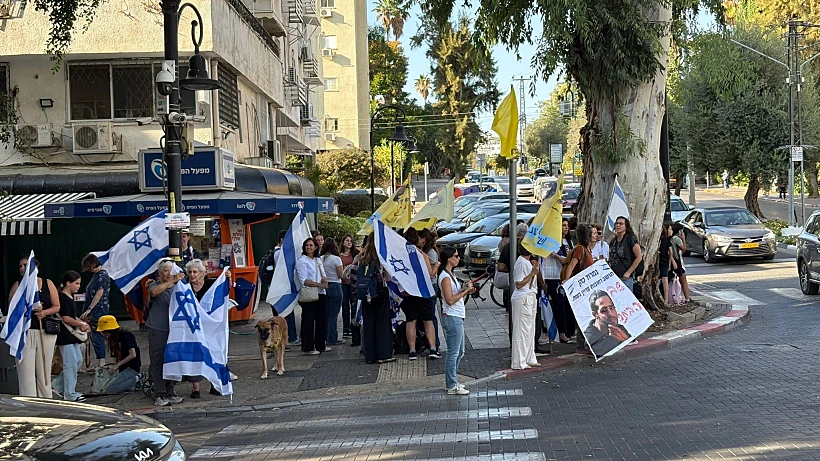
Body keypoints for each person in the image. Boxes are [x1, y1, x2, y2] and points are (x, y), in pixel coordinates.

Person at [9, 256, 60, 398]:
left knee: (44, 370)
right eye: (20, 266)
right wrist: (29, 309)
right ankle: (29, 402)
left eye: (25, 265)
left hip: (45, 331)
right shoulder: (18, 285)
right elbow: (12, 309)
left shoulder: (47, 283)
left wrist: (44, 312)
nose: (22, 268)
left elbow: (56, 306)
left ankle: (46, 400)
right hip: (26, 331)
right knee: (26, 371)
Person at [147, 259, 186, 406]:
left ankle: (171, 390)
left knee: (174, 359)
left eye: (172, 270)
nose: (170, 273)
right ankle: (159, 392)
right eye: (166, 271)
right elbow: (154, 292)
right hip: (158, 328)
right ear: (160, 272)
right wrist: (172, 281)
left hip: (175, 330)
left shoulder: (179, 288)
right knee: (158, 360)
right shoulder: (155, 285)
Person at [438, 247, 474, 395]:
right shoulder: (445, 277)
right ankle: (451, 384)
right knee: (454, 352)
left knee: (460, 351)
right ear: (449, 258)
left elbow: (454, 294)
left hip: (457, 315)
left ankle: (453, 381)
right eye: (456, 256)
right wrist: (465, 291)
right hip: (452, 316)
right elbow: (450, 300)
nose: (458, 258)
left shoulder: (450, 275)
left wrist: (464, 289)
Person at [401, 228, 441, 360]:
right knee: (427, 320)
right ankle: (433, 348)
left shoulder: (401, 254)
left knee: (411, 320)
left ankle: (412, 350)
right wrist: (436, 266)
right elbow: (430, 275)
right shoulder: (422, 254)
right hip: (423, 291)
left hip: (408, 292)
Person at [53, 270, 91, 402]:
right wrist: (80, 324)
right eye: (76, 283)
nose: (78, 286)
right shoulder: (63, 297)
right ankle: (69, 393)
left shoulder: (69, 297)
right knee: (71, 363)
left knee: (77, 360)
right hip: (65, 335)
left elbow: (70, 316)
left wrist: (82, 323)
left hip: (71, 335)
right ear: (68, 283)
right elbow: (66, 318)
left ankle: (58, 385)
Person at [356, 234, 395, 364]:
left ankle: (370, 355)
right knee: (382, 323)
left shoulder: (362, 257)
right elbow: (388, 278)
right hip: (380, 292)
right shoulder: (381, 256)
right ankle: (383, 354)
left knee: (369, 324)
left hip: (366, 294)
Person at [562, 223, 596, 354]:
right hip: (580, 289)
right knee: (585, 316)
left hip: (586, 288)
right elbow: (571, 265)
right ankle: (582, 346)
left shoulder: (587, 250)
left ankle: (585, 344)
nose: (595, 235)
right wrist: (566, 281)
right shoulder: (580, 249)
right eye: (593, 233)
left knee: (588, 316)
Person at [510, 242, 540, 370]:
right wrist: (532, 274)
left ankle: (529, 357)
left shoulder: (527, 262)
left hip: (530, 296)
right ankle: (519, 361)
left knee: (529, 329)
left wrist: (534, 270)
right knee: (521, 330)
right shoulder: (521, 262)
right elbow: (518, 283)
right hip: (523, 298)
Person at [297, 237, 329, 355]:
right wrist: (318, 284)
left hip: (321, 293)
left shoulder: (318, 260)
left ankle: (321, 345)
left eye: (311, 245)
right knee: (308, 321)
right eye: (307, 245)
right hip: (309, 294)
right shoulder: (302, 261)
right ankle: (308, 347)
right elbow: (304, 280)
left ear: (315, 247)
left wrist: (324, 281)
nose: (309, 247)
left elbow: (322, 274)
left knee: (321, 320)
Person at [96, 315, 143, 394]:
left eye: (104, 332)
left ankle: (137, 378)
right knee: (105, 385)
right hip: (122, 368)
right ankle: (131, 383)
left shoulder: (125, 334)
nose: (103, 334)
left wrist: (117, 366)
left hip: (131, 367)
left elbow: (132, 354)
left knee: (110, 389)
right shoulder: (113, 338)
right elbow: (115, 355)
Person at [80, 253, 110, 368]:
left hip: (98, 310)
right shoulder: (97, 275)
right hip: (95, 309)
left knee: (97, 335)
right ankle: (100, 361)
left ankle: (101, 362)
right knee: (94, 335)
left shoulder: (102, 275)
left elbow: (99, 293)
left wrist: (89, 309)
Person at [272, 230, 300, 345]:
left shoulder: (278, 252)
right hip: (282, 288)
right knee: (286, 313)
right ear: (282, 240)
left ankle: (288, 337)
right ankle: (290, 337)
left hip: (282, 287)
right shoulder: (279, 253)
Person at [584, 291, 631, 356]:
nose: (611, 314)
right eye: (604, 310)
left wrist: (626, 339)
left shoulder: (620, 329)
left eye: (611, 308)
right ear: (595, 314)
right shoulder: (589, 338)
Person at [419, 228, 441, 352]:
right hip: (427, 286)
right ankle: (429, 342)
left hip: (430, 286)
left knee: (430, 316)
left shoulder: (430, 253)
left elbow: (431, 274)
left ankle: (434, 343)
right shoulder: (425, 251)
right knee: (427, 316)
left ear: (424, 240)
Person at [608, 216, 642, 293]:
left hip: (626, 277)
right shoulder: (613, 241)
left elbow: (639, 256)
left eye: (621, 224)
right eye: (616, 223)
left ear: (626, 226)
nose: (618, 225)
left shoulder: (630, 239)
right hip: (614, 276)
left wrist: (628, 272)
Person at [321, 238, 345, 345]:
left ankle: (325, 336)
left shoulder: (320, 259)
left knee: (326, 313)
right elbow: (341, 275)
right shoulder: (336, 259)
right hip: (335, 285)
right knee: (333, 314)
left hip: (324, 286)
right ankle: (332, 338)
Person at [339, 234, 359, 337]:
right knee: (345, 306)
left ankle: (354, 326)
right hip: (343, 284)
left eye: (350, 241)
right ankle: (346, 327)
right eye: (347, 240)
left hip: (353, 283)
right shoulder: (339, 255)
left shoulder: (355, 254)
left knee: (354, 305)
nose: (349, 242)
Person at [671, 223, 693, 303]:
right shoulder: (677, 239)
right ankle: (687, 298)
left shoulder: (671, 238)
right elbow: (684, 249)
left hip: (672, 259)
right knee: (683, 279)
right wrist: (683, 239)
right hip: (677, 260)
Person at [659, 223, 674, 303]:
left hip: (658, 260)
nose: (672, 231)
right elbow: (671, 252)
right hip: (664, 260)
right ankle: (666, 299)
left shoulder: (660, 239)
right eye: (670, 229)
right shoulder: (667, 240)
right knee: (665, 279)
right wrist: (670, 262)